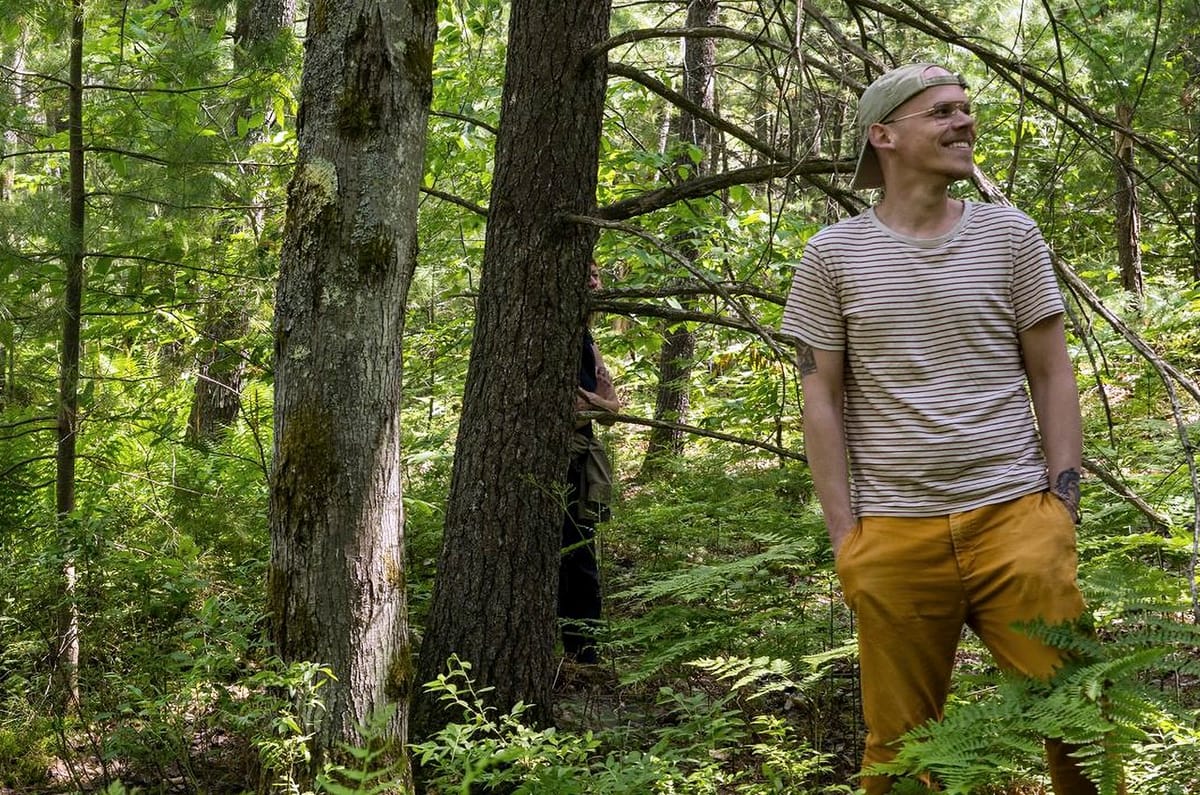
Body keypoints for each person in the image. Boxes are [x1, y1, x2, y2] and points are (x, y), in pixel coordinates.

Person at [780, 63, 1097, 794]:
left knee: (1081, 721)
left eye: (966, 109)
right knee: (900, 748)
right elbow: (819, 397)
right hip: (894, 534)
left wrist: (1062, 505)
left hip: (1017, 517)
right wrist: (845, 537)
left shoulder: (1011, 236)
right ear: (883, 135)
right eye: (943, 113)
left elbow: (1052, 371)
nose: (965, 124)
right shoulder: (833, 255)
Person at [559, 260, 620, 665]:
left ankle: (585, 650)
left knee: (580, 553)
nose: (594, 281)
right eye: (586, 273)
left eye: (596, 274)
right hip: (560, 458)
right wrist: (588, 402)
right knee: (565, 553)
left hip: (580, 459)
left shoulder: (588, 339)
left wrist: (589, 401)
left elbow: (612, 405)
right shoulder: (556, 332)